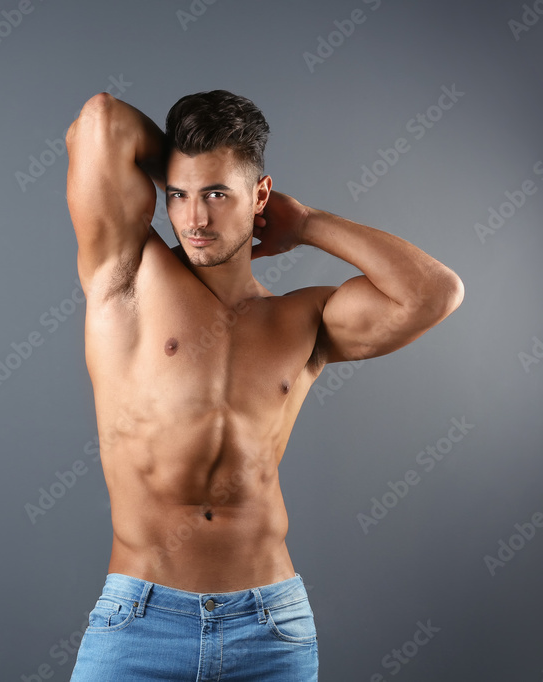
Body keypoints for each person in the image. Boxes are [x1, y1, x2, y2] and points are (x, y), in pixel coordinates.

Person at [64, 89, 464, 681]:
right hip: (141, 624)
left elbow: (434, 293)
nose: (195, 219)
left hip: (269, 627)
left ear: (260, 196)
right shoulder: (125, 278)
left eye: (217, 195)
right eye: (179, 196)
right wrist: (186, 167)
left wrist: (307, 224)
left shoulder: (302, 320)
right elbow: (100, 121)